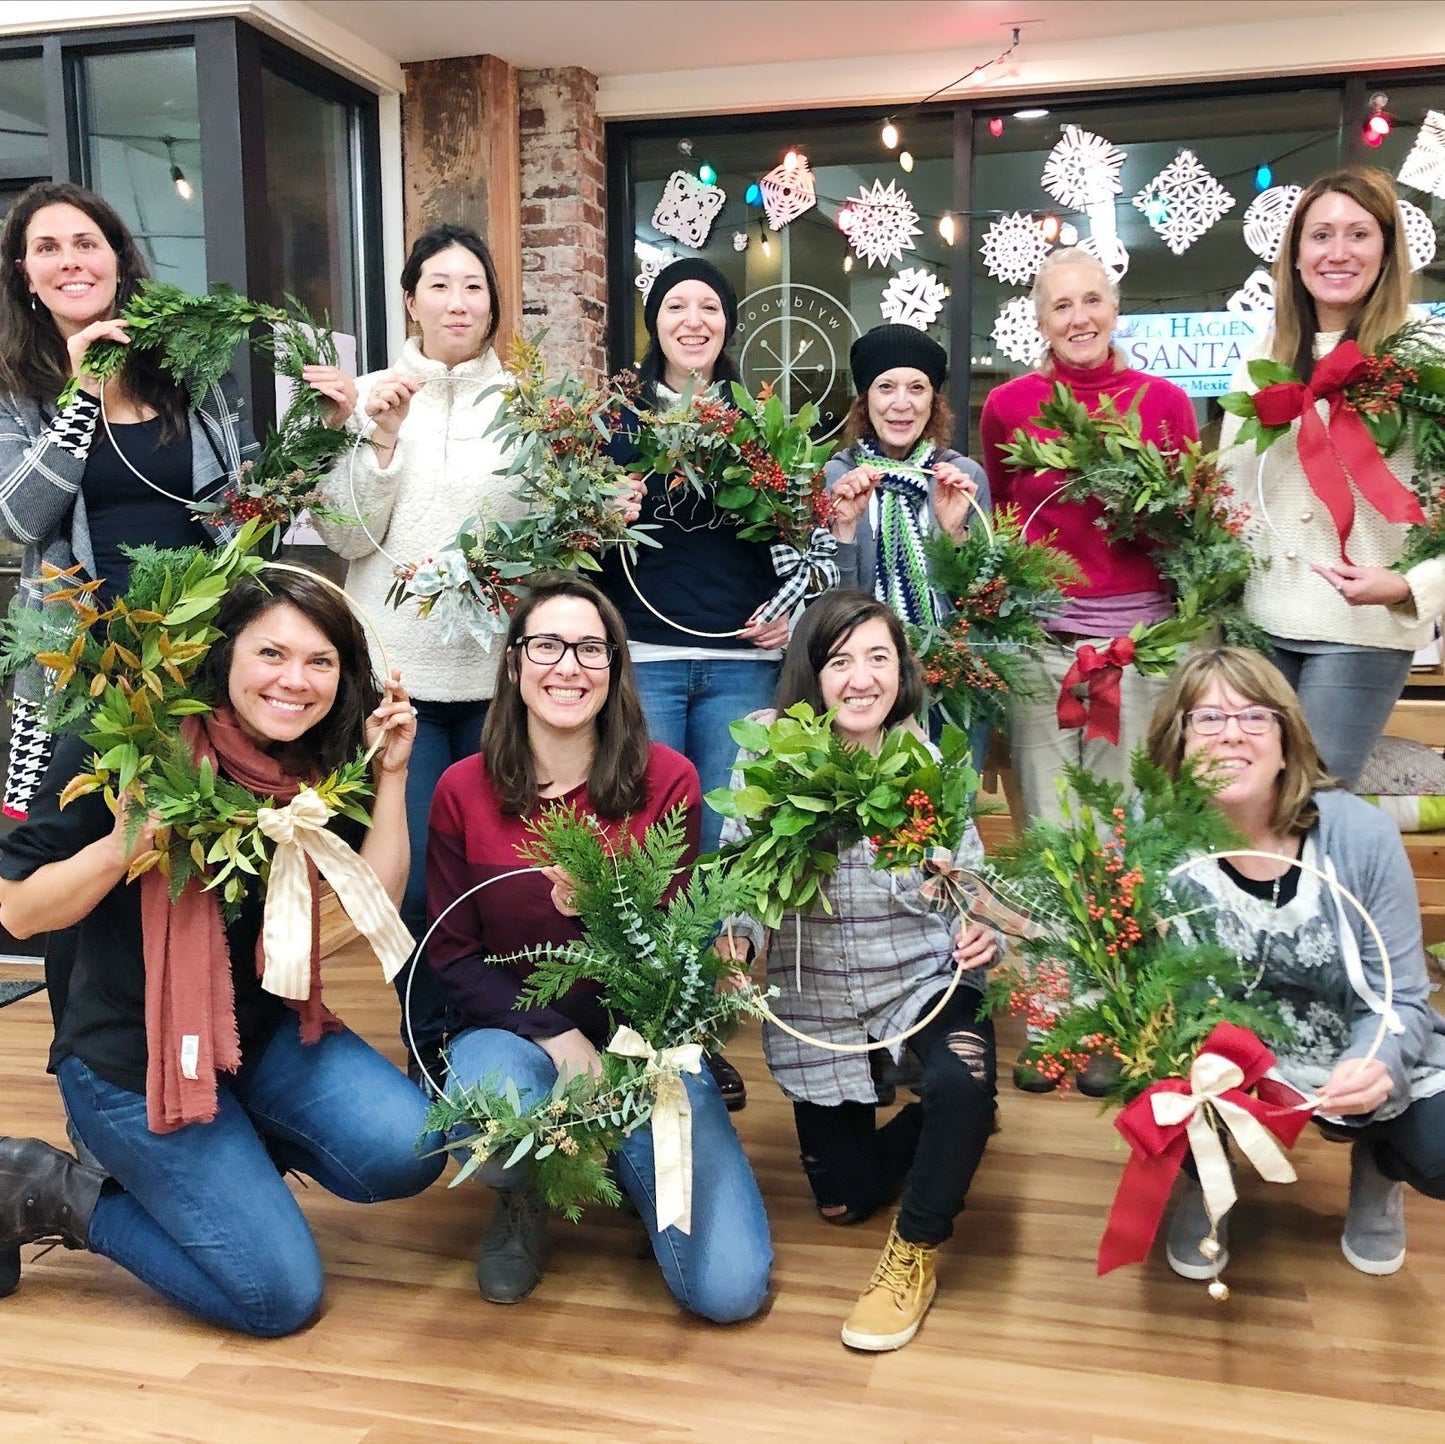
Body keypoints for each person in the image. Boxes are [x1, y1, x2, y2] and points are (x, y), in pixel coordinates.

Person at [0, 567, 441, 1334]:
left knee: (411, 1148)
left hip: (257, 1035)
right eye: (271, 654)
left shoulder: (320, 761)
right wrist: (120, 846)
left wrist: (393, 777)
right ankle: (46, 1190)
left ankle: (228, 1151)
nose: (294, 682)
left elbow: (368, 904)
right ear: (225, 653)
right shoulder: (130, 746)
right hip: (129, 1062)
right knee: (277, 1298)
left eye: (320, 663)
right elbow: (18, 913)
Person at [425, 572, 771, 1319]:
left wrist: (607, 916)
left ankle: (620, 1160)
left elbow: (674, 960)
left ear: (615, 669)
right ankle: (525, 1195)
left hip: (643, 1041)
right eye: (547, 645)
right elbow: (449, 955)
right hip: (512, 1034)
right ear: (515, 663)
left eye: (591, 648)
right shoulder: (461, 787)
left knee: (728, 1291)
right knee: (479, 1117)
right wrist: (552, 1036)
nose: (568, 666)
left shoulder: (667, 780)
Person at [0, 181, 352, 821]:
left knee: (209, 832)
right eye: (47, 248)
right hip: (79, 659)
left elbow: (252, 523)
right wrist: (83, 393)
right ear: (26, 274)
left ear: (118, 260)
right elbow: (21, 519)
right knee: (71, 841)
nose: (71, 260)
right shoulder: (13, 388)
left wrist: (318, 433)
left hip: (208, 647)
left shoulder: (188, 369)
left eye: (87, 243)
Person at [717, 590, 1002, 1352]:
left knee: (959, 1078)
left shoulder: (928, 761)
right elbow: (739, 877)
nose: (861, 677)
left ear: (900, 671)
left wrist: (979, 931)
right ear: (812, 675)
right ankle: (951, 1127)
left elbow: (972, 890)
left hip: (919, 976)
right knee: (842, 1199)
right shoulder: (770, 758)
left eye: (878, 657)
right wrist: (736, 944)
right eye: (839, 660)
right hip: (817, 1003)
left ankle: (914, 1252)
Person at [1146, 645, 1445, 1280]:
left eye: (1254, 717)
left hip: (1348, 1047)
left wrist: (1376, 1065)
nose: (1231, 734)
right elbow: (1133, 986)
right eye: (1206, 718)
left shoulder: (1360, 837)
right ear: (1178, 741)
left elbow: (1403, 998)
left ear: (1287, 740)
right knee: (1148, 1074)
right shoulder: (1151, 840)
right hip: (1223, 1057)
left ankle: (1380, 1165)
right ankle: (1205, 1178)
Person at [313, 222, 518, 1091]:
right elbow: (339, 531)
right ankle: (430, 1046)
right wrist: (380, 441)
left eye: (473, 286)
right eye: (440, 284)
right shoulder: (364, 396)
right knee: (409, 882)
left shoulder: (525, 410)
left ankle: (496, 1040)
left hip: (498, 680)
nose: (458, 302)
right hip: (394, 680)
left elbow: (540, 545)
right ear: (409, 299)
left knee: (498, 870)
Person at [599, 257, 792, 1112]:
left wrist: (793, 609)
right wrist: (601, 513)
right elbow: (570, 536)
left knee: (722, 855)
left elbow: (795, 542)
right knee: (649, 848)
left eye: (709, 305)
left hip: (742, 664)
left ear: (727, 324)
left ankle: (700, 1032)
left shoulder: (756, 421)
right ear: (654, 320)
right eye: (675, 304)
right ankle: (647, 1026)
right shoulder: (616, 419)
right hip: (644, 657)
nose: (693, 319)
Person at [1218, 167, 1444, 786]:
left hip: (1360, 628)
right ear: (1295, 256)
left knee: (1311, 801)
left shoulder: (1424, 361)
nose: (1337, 252)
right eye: (1320, 235)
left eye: (1358, 234)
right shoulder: (1262, 362)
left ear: (1387, 250)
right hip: (1257, 623)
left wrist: (1409, 586)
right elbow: (1228, 501)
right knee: (1250, 801)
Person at [979, 246, 1199, 824]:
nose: (1079, 318)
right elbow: (1004, 517)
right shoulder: (1008, 406)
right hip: (1037, 650)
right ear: (1041, 322)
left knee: (1124, 829)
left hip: (1137, 652)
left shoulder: (1165, 404)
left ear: (1115, 308)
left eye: (1092, 300)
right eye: (1062, 305)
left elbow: (1187, 530)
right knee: (1047, 829)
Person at [825, 324, 988, 755]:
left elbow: (985, 598)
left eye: (917, 388)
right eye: (886, 387)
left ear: (933, 401)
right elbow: (828, 604)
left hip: (950, 684)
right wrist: (842, 530)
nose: (902, 404)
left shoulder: (964, 478)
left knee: (948, 813)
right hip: (862, 686)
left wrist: (954, 533)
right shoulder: (837, 478)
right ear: (865, 400)